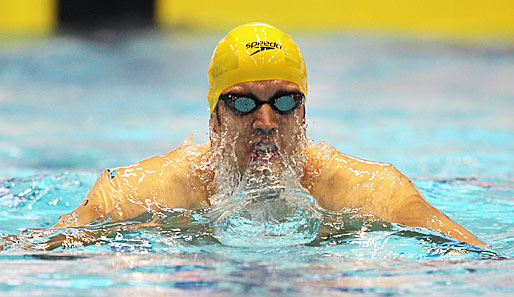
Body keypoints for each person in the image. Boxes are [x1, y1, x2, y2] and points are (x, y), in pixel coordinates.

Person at [54, 23, 485, 246]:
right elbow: (32, 254)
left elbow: (483, 262)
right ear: (214, 117)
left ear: (304, 112)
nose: (265, 122)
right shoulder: (135, 193)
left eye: (284, 101)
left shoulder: (374, 192)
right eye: (242, 102)